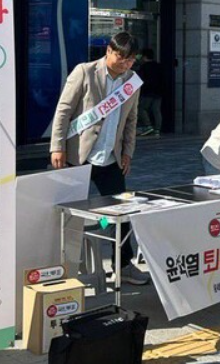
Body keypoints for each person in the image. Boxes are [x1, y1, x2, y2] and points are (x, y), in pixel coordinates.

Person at [50, 32, 149, 285]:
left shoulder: (132, 82)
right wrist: (57, 146)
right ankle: (65, 268)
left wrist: (127, 152)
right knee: (70, 214)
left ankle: (123, 265)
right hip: (78, 157)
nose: (125, 63)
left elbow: (131, 120)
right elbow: (63, 111)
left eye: (130, 60)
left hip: (110, 159)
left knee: (120, 215)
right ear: (109, 51)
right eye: (121, 57)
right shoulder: (85, 72)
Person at [136, 48, 163, 137]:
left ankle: (148, 126)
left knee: (141, 108)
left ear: (144, 57)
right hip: (158, 92)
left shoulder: (144, 67)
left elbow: (140, 79)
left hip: (147, 92)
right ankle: (157, 130)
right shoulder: (158, 66)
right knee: (156, 110)